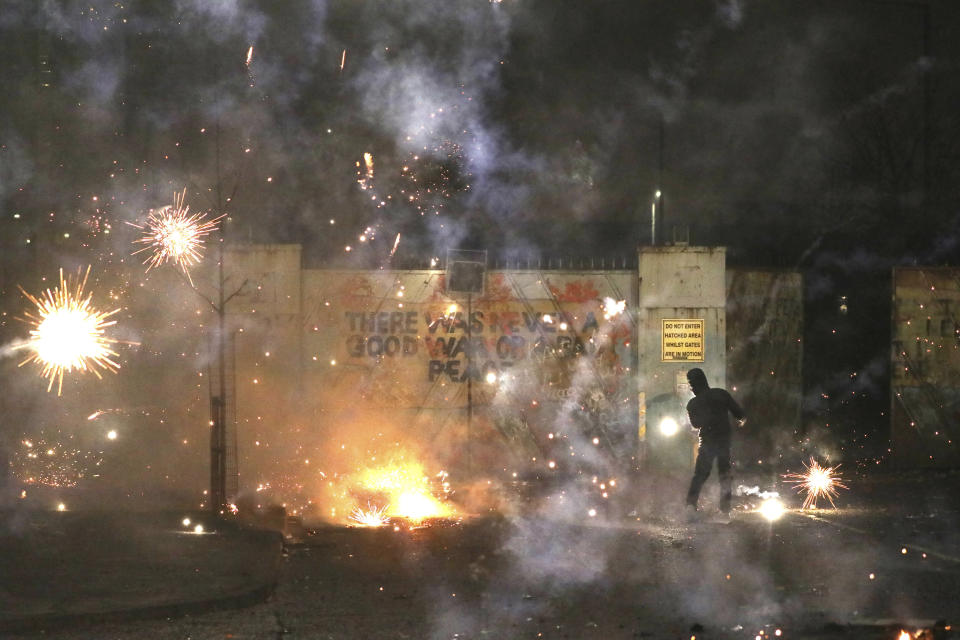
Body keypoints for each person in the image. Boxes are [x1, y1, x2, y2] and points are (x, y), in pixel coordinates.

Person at [684, 367, 745, 520]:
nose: (691, 387)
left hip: (707, 442)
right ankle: (725, 511)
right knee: (724, 475)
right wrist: (739, 423)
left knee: (700, 475)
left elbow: (696, 424)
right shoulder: (721, 394)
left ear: (693, 385)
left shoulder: (693, 403)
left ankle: (691, 506)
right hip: (724, 442)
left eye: (691, 384)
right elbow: (740, 414)